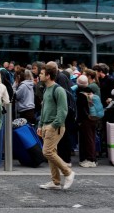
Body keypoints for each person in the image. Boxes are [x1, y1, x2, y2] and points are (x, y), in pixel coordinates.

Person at [38, 61, 75, 190]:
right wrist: (40, 125)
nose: (39, 75)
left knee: (47, 152)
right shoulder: (47, 89)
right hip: (46, 125)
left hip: (55, 126)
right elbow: (44, 109)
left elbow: (63, 111)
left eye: (42, 73)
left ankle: (68, 172)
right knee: (51, 152)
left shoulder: (58, 90)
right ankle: (55, 182)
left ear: (48, 76)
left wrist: (53, 125)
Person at [75, 75, 97, 167]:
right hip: (93, 118)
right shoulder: (91, 92)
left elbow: (81, 109)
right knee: (91, 138)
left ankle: (90, 159)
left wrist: (78, 121)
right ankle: (91, 158)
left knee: (86, 140)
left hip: (85, 119)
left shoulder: (80, 94)